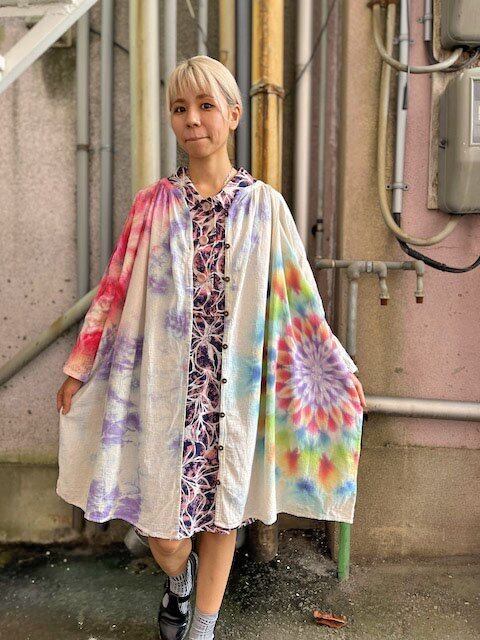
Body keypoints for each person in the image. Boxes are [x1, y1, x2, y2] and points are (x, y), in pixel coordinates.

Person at [56, 55, 367, 640]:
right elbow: (114, 289)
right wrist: (80, 366)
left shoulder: (265, 207)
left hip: (232, 392)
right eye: (180, 108)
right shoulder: (152, 204)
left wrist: (337, 371)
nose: (192, 119)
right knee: (165, 533)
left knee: (224, 514)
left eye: (205, 106)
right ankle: (178, 579)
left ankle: (202, 627)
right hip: (165, 392)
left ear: (233, 115)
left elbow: (300, 297)